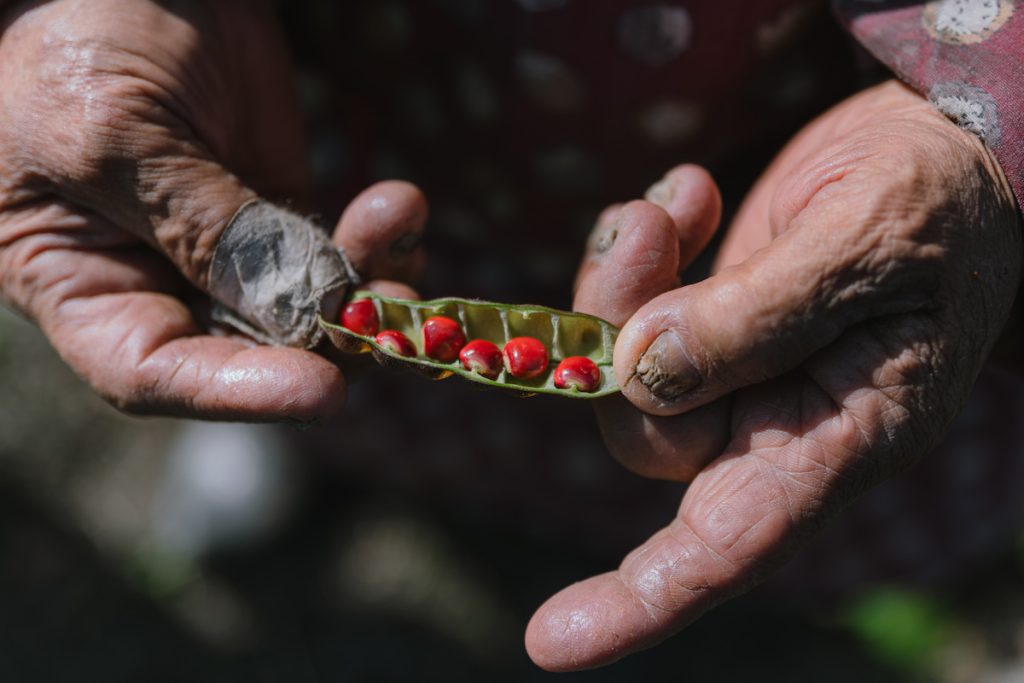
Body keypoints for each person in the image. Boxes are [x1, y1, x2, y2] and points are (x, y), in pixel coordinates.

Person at [0, 0, 1020, 672]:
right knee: (337, 328)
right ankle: (304, 432)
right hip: (335, 87)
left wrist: (974, 135)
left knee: (752, 406)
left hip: (768, 136)